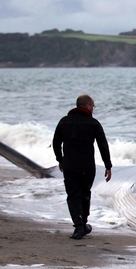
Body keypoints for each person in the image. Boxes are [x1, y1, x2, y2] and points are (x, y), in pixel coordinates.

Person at [53, 94, 112, 239]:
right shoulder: (93, 123)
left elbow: (55, 143)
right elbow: (103, 145)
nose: (93, 108)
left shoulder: (64, 121)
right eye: (92, 106)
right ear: (87, 106)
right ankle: (83, 223)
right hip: (87, 166)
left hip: (69, 165)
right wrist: (108, 165)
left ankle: (79, 226)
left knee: (73, 195)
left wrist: (60, 160)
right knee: (85, 194)